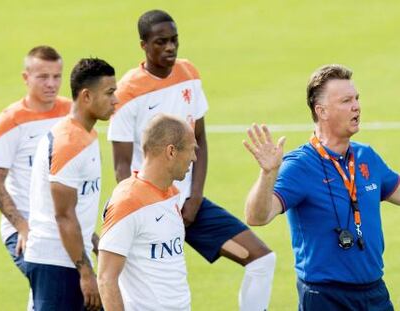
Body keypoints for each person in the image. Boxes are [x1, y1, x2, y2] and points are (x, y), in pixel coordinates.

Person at [108, 9, 275, 310]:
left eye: (174, 40)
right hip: (148, 209)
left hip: (188, 206)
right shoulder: (127, 93)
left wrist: (195, 197)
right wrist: (140, 206)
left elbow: (200, 141)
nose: (170, 47)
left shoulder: (189, 74)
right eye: (161, 42)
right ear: (143, 44)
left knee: (262, 259)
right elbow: (121, 166)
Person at [243, 64, 399, 310]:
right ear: (322, 111)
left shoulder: (366, 156)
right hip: (326, 297)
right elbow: (257, 216)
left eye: (357, 98)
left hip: (374, 293)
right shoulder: (300, 165)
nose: (357, 106)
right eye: (346, 100)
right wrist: (267, 173)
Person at [24, 57, 117, 311]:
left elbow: (78, 208)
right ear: (86, 96)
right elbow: (64, 215)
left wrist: (97, 245)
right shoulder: (69, 142)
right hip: (56, 262)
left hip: (71, 258)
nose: (115, 100)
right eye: (109, 93)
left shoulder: (86, 135)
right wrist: (86, 274)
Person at [0, 45, 71, 309]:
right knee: (59, 291)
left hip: (64, 227)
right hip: (26, 231)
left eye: (56, 76)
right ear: (26, 78)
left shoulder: (71, 112)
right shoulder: (10, 121)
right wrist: (23, 227)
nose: (51, 84)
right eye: (42, 77)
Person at [98, 114, 196, 311]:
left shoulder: (171, 194)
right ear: (171, 151)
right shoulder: (128, 201)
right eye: (191, 150)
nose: (194, 158)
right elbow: (106, 279)